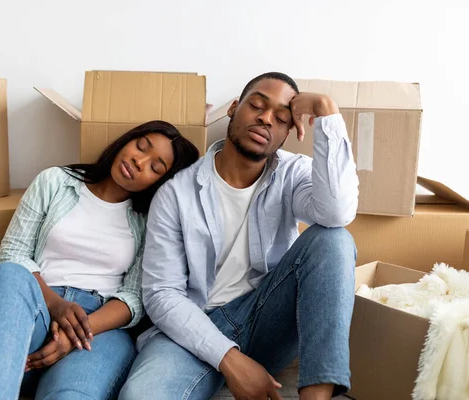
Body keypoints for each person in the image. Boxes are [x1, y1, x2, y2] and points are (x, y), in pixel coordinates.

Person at [119, 72, 360, 400]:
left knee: (334, 239)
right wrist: (229, 359)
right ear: (234, 107)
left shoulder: (292, 173)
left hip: (265, 317)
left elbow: (336, 213)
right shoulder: (177, 193)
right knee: (140, 396)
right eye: (257, 106)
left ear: (290, 132)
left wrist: (326, 111)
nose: (265, 119)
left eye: (281, 117)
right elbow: (163, 294)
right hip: (195, 325)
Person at [0, 120, 200, 400]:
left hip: (98, 329)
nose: (138, 160)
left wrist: (76, 334)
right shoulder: (55, 181)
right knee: (6, 274)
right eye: (140, 146)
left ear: (159, 181)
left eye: (154, 167)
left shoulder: (151, 221)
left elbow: (134, 298)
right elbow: (14, 253)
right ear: (127, 140)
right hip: (36, 304)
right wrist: (57, 305)